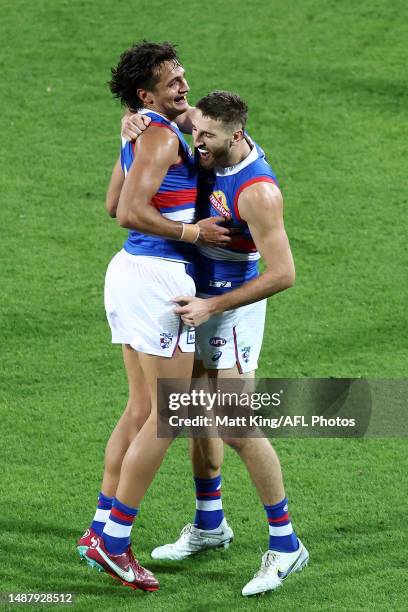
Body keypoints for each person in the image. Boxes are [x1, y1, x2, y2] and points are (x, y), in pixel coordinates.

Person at [78, 41, 231, 592]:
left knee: (142, 407)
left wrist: (166, 120)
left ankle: (98, 525)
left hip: (130, 276)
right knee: (171, 415)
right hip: (158, 281)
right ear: (146, 94)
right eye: (172, 82)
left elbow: (111, 200)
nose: (184, 85)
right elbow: (126, 212)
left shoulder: (144, 130)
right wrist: (192, 232)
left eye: (183, 75)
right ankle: (114, 542)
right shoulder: (160, 135)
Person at [144, 91, 309, 597]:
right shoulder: (208, 134)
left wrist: (215, 306)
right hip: (199, 296)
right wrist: (133, 122)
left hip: (232, 307)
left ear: (236, 135)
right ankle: (210, 523)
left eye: (208, 138)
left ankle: (286, 545)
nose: (198, 144)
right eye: (196, 133)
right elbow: (168, 115)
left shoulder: (258, 193)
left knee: (237, 427)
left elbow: (284, 274)